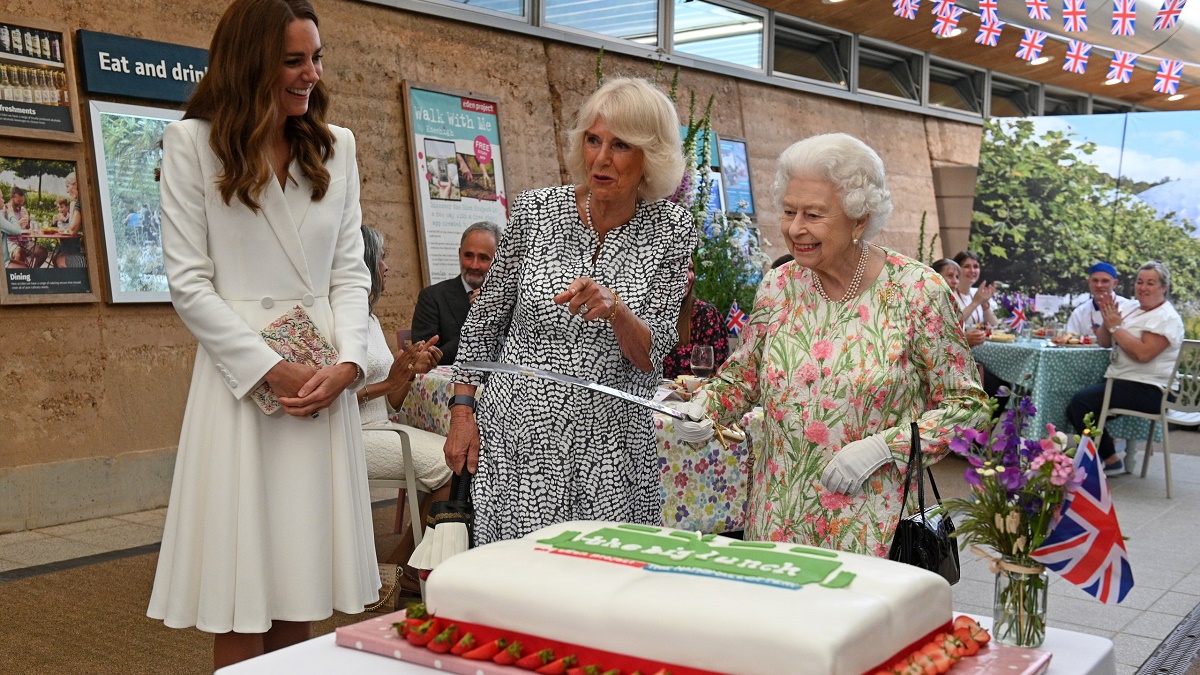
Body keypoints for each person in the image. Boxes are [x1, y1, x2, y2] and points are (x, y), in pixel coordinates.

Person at [146, 1, 377, 668]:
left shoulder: (339, 145)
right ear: (251, 64)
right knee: (242, 591)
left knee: (301, 582)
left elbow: (350, 272)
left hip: (322, 383)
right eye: (294, 60)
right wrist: (270, 368)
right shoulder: (192, 144)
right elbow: (189, 283)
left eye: (317, 57)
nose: (312, 73)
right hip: (242, 385)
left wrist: (350, 363)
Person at [684, 133, 987, 556]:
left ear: (859, 219)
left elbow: (968, 408)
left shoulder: (917, 291)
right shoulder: (779, 284)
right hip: (775, 523)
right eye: (789, 211)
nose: (795, 228)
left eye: (813, 214)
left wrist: (885, 447)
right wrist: (707, 406)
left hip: (871, 533)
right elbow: (744, 375)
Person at [443, 77, 697, 546]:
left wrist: (618, 310)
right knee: (519, 581)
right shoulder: (536, 210)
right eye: (593, 140)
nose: (600, 158)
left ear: (651, 157)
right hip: (519, 438)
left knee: (599, 586)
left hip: (610, 445)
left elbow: (653, 356)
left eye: (620, 145)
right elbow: (485, 321)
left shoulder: (673, 229)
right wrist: (463, 411)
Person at [358, 225, 451, 578]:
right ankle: (414, 569)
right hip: (353, 435)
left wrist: (409, 371)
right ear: (363, 262)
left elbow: (392, 400)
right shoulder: (339, 319)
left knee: (453, 453)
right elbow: (329, 400)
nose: (387, 266)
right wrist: (390, 382)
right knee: (450, 463)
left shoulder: (369, 317)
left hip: (381, 425)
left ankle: (405, 562)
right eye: (382, 257)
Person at [1067, 261, 1184, 476]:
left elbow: (1142, 354)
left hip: (1152, 389)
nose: (1143, 287)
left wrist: (1115, 327)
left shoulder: (1166, 317)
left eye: (1151, 283)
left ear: (1164, 288)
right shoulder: (1130, 307)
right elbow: (1104, 341)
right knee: (1079, 403)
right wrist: (1106, 319)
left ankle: (1107, 459)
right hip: (1124, 381)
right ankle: (1106, 457)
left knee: (1081, 403)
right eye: (1140, 282)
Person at [411, 220, 501, 366]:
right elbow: (426, 360)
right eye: (468, 256)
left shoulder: (510, 300)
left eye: (483, 258)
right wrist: (478, 321)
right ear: (459, 253)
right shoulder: (432, 298)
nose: (474, 265)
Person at [662, 258, 729, 380]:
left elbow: (718, 373)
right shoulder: (646, 313)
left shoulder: (705, 315)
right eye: (681, 269)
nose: (688, 276)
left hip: (692, 397)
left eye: (690, 269)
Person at [1066, 262, 1128, 338]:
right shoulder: (1080, 312)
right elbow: (1070, 338)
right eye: (1095, 280)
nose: (1099, 285)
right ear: (1089, 282)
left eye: (1105, 281)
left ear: (1115, 283)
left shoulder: (1128, 307)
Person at [932, 258, 985, 348]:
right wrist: (963, 339)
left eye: (957, 277)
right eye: (950, 276)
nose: (955, 281)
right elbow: (933, 343)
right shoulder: (928, 304)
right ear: (935, 277)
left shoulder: (948, 302)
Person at [952, 250, 999, 327]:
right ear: (957, 270)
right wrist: (975, 303)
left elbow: (995, 325)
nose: (972, 271)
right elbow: (952, 326)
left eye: (976, 267)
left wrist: (984, 304)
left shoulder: (978, 293)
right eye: (967, 266)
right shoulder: (949, 295)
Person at [50, 172, 86, 268]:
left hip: (87, 257)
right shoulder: (86, 198)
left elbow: (72, 229)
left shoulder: (79, 202)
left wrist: (73, 203)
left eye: (67, 186)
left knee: (60, 259)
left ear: (76, 184)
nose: (66, 191)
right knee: (57, 256)